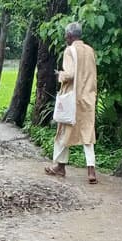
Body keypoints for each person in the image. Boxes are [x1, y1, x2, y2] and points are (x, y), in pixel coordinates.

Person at [45, 22, 98, 184]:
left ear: (69, 36)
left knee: (64, 130)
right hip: (87, 97)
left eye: (65, 35)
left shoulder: (69, 50)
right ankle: (91, 170)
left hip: (72, 98)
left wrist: (59, 75)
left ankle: (60, 167)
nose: (65, 38)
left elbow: (69, 75)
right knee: (88, 133)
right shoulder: (90, 50)